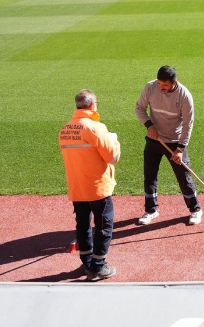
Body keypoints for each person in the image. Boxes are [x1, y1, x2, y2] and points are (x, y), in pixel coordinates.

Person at [59, 89, 120, 281]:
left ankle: (87, 263)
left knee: (83, 225)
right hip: (97, 187)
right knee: (104, 226)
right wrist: (114, 140)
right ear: (92, 105)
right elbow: (113, 157)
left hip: (77, 186)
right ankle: (98, 267)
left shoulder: (65, 129)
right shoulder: (96, 128)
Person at [135, 65, 203, 226]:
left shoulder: (184, 96)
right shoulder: (150, 87)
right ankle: (151, 210)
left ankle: (195, 209)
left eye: (164, 85)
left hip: (175, 142)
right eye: (159, 84)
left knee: (184, 177)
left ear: (174, 82)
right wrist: (149, 125)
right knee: (150, 176)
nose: (161, 88)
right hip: (154, 139)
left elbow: (188, 124)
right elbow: (139, 108)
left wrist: (180, 149)